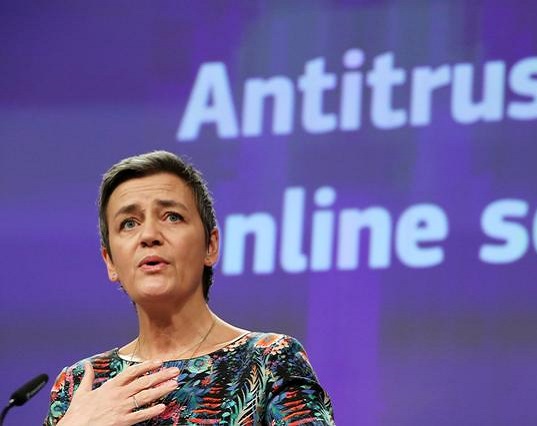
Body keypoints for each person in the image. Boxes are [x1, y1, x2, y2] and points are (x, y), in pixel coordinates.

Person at [44, 151, 334, 425]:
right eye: (129, 223)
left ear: (211, 245)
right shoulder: (82, 384)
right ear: (110, 262)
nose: (149, 235)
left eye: (172, 216)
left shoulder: (269, 361)